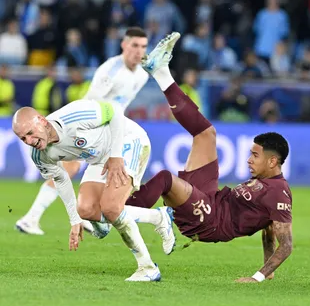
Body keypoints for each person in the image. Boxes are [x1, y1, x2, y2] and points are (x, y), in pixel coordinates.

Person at [126, 32, 293, 283]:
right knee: (206, 134)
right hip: (212, 199)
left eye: (255, 156)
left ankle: (117, 213)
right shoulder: (268, 189)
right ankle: (161, 72)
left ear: (273, 162)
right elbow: (268, 231)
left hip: (210, 221)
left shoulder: (279, 193)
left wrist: (258, 277)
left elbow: (286, 243)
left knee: (165, 179)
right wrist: (269, 274)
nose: (249, 160)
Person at [15, 27, 169, 236]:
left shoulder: (141, 74)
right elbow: (91, 103)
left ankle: (84, 219)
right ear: (124, 45)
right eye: (134, 45)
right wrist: (83, 133)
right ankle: (33, 218)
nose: (139, 51)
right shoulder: (110, 70)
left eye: (143, 46)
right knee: (66, 172)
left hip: (111, 131)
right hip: (88, 129)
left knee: (76, 176)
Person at [12, 98, 175, 282]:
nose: (29, 141)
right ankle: (158, 217)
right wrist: (74, 220)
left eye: (30, 133)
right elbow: (61, 179)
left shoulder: (74, 117)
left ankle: (147, 268)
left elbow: (115, 110)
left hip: (127, 141)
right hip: (98, 158)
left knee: (111, 207)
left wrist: (115, 156)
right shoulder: (39, 155)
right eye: (23, 138)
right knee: (86, 210)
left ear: (42, 120)